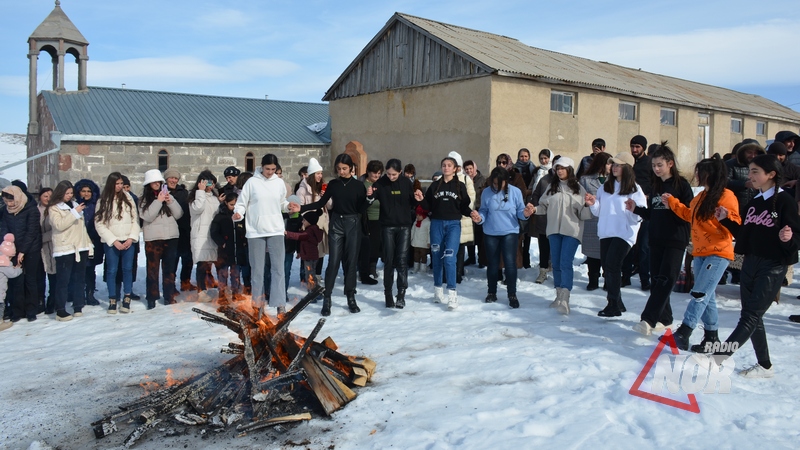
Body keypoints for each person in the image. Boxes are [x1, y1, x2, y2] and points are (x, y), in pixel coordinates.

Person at [712, 154, 800, 377]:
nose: (750, 175)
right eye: (750, 171)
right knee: (752, 315)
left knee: (750, 316)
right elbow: (745, 235)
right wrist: (726, 220)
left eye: (755, 172)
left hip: (772, 266)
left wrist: (788, 237)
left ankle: (718, 358)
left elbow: (795, 237)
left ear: (771, 175)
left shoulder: (784, 200)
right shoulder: (754, 201)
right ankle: (765, 366)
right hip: (750, 263)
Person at [661, 154, 740, 350]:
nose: (697, 175)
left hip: (718, 252)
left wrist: (726, 216)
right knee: (707, 295)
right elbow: (690, 215)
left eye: (701, 172)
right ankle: (711, 338)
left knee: (699, 293)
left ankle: (685, 331)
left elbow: (737, 222)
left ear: (711, 174)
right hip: (700, 252)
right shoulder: (701, 196)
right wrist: (672, 203)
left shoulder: (726, 196)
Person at [290, 153, 368, 316]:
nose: (341, 171)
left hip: (353, 223)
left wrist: (369, 199)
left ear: (351, 168)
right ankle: (327, 298)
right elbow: (320, 203)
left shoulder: (358, 186)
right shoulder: (333, 184)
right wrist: (301, 208)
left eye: (344, 169)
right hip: (337, 224)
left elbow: (362, 209)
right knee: (333, 262)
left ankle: (351, 297)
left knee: (351, 262)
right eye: (339, 169)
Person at [628, 143, 693, 335]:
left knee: (666, 279)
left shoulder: (681, 184)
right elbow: (654, 213)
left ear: (670, 164)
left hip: (675, 239)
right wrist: (636, 209)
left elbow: (689, 213)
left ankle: (648, 319)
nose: (656, 169)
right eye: (654, 165)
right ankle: (665, 319)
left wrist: (673, 204)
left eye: (660, 165)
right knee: (657, 280)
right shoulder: (656, 185)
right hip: (656, 238)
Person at [585, 153, 646, 317]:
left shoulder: (634, 189)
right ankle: (618, 303)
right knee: (607, 266)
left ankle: (612, 304)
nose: (614, 167)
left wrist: (633, 208)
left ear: (627, 168)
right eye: (612, 164)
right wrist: (593, 203)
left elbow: (640, 215)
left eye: (618, 165)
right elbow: (599, 211)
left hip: (624, 233)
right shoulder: (604, 188)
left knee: (612, 265)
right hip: (606, 232)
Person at [533, 157, 593, 314]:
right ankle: (558, 296)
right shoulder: (552, 187)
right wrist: (533, 210)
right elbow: (543, 207)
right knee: (557, 263)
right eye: (557, 168)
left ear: (570, 170)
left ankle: (565, 297)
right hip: (553, 230)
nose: (559, 171)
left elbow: (585, 215)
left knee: (565, 262)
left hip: (572, 231)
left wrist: (587, 205)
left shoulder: (579, 189)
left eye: (563, 168)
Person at [234, 154, 289, 315]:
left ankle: (280, 304)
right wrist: (238, 214)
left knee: (278, 268)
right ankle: (258, 304)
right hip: (255, 231)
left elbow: (281, 203)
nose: (270, 172)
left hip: (276, 230)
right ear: (261, 167)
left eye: (273, 169)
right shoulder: (252, 182)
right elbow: (241, 203)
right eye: (267, 169)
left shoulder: (279, 183)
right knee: (257, 270)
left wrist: (289, 207)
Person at [415, 156, 473, 309]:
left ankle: (452, 294)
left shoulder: (460, 186)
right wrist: (421, 199)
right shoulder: (435, 186)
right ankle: (437, 290)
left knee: (449, 257)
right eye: (444, 165)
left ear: (455, 169)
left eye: (449, 165)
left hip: (453, 224)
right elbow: (427, 205)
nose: (446, 168)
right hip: (437, 224)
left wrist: (472, 213)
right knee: (436, 256)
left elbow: (464, 206)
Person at [472, 167, 535, 308]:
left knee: (510, 263)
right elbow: (483, 211)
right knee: (493, 264)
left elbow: (520, 211)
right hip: (491, 233)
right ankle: (491, 292)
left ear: (506, 181)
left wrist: (525, 213)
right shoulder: (486, 192)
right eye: (494, 183)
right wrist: (479, 219)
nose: (496, 186)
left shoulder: (515, 192)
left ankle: (512, 294)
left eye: (499, 183)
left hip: (509, 232)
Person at [367, 158, 418, 308]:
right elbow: (369, 200)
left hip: (404, 226)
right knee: (388, 261)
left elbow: (413, 203)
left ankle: (401, 294)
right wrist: (370, 195)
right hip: (387, 226)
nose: (391, 177)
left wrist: (418, 199)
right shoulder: (380, 183)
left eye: (394, 174)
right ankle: (388, 294)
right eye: (388, 174)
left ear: (400, 172)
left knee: (401, 261)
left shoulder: (406, 183)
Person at [46, 180, 93, 321]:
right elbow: (59, 225)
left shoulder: (74, 205)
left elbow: (81, 228)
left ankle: (78, 305)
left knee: (79, 278)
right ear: (60, 193)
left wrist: (88, 245)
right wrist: (74, 213)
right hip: (65, 247)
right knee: (63, 280)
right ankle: (60, 309)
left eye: (71, 193)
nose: (69, 195)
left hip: (80, 246)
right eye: (67, 193)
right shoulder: (54, 208)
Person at [94, 172, 140, 314]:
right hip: (112, 242)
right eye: (117, 183)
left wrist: (131, 238)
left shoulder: (128, 198)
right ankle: (112, 298)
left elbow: (135, 220)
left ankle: (127, 297)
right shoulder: (103, 200)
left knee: (127, 269)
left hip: (127, 240)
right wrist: (113, 241)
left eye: (121, 183)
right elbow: (99, 223)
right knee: (112, 270)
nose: (119, 186)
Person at [139, 169, 182, 308]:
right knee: (153, 270)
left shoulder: (167, 195)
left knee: (169, 269)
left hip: (171, 237)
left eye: (159, 182)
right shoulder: (143, 199)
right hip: (153, 238)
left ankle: (169, 295)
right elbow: (147, 216)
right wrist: (158, 201)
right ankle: (152, 296)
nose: (157, 184)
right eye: (154, 182)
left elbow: (179, 214)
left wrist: (170, 201)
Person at [0, 185, 42, 322]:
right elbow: (4, 229)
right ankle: (17, 311)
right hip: (13, 250)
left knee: (30, 279)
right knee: (16, 280)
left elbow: (32, 231)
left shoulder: (31, 209)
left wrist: (23, 251)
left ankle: (31, 310)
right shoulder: (6, 211)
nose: (9, 204)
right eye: (6, 202)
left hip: (31, 249)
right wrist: (8, 245)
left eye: (11, 201)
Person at [578, 152, 612, 291]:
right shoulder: (585, 180)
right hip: (592, 221)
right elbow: (580, 198)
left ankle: (607, 280)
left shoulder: (615, 181)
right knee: (592, 253)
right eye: (609, 163)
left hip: (608, 221)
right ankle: (593, 279)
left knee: (607, 253)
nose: (611, 166)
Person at [624, 135, 653, 290]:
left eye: (638, 147)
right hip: (628, 209)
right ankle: (626, 276)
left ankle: (644, 279)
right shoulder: (628, 163)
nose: (634, 150)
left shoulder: (649, 164)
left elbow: (655, 185)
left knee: (643, 246)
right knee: (628, 242)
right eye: (632, 146)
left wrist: (648, 196)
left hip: (644, 209)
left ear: (644, 148)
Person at [296, 158, 330, 281]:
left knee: (320, 252)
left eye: (321, 173)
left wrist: (325, 197)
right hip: (309, 226)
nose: (320, 176)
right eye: (317, 173)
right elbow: (301, 209)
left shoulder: (323, 187)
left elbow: (330, 206)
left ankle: (317, 274)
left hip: (322, 225)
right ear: (311, 175)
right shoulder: (302, 190)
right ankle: (305, 277)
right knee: (308, 252)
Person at [164, 168, 195, 293]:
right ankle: (171, 286)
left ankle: (185, 283)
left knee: (188, 259)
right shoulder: (162, 192)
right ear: (166, 179)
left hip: (185, 230)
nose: (173, 180)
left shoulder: (184, 193)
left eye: (175, 178)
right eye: (171, 178)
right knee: (173, 261)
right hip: (171, 231)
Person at [210, 192, 244, 303]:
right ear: (226, 203)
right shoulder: (220, 217)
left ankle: (236, 293)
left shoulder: (241, 216)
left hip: (237, 250)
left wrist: (243, 241)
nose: (233, 207)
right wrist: (221, 243)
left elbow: (244, 230)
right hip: (224, 250)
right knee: (222, 273)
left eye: (235, 204)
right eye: (231, 204)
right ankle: (222, 294)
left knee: (236, 274)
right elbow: (214, 232)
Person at [448, 151, 476, 284]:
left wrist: (459, 206)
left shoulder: (466, 179)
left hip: (462, 218)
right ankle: (449, 271)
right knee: (449, 246)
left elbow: (471, 198)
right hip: (448, 217)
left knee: (459, 247)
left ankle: (458, 272)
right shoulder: (445, 178)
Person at [74, 179, 102, 306]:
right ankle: (76, 295)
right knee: (78, 270)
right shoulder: (74, 205)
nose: (86, 194)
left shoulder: (97, 204)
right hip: (77, 241)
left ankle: (90, 293)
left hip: (93, 240)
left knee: (90, 269)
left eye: (88, 191)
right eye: (83, 191)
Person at [284, 210, 324, 302]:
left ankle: (313, 294)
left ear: (309, 222)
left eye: (304, 221)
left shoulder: (309, 232)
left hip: (309, 257)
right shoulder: (313, 230)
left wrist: (287, 233)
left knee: (309, 276)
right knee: (311, 275)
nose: (302, 222)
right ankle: (316, 292)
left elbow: (299, 236)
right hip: (311, 256)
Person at [529, 149, 554, 280]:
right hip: (543, 217)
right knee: (543, 245)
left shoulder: (568, 182)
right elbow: (535, 194)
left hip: (559, 220)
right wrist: (534, 205)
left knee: (556, 246)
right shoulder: (544, 179)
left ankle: (556, 268)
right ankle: (543, 270)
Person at [359, 160, 384, 285]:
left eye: (379, 173)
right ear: (368, 172)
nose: (377, 176)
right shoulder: (363, 185)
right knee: (366, 246)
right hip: (367, 219)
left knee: (376, 246)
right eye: (374, 173)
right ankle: (363, 269)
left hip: (380, 219)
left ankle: (372, 268)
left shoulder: (380, 185)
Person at [463, 160, 486, 267]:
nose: (469, 171)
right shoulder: (464, 180)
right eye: (466, 169)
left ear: (474, 168)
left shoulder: (482, 180)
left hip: (480, 209)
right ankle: (471, 257)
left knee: (480, 236)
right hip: (468, 210)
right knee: (470, 235)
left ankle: (481, 259)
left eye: (470, 168)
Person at [37, 188, 56, 314]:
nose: (48, 198)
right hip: (37, 249)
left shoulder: (55, 210)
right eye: (45, 196)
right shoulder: (35, 211)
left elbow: (56, 229)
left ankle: (52, 300)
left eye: (50, 196)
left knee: (53, 276)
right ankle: (40, 301)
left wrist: (40, 238)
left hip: (52, 247)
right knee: (39, 277)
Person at [0, 233, 22, 331]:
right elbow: (12, 273)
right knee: (1, 306)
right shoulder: (4, 263)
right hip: (0, 292)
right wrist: (19, 269)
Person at [410, 205, 430, 274]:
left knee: (423, 256)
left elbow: (429, 233)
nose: (417, 217)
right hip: (416, 242)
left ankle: (423, 268)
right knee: (416, 255)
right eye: (417, 215)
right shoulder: (415, 222)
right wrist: (411, 238)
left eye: (419, 215)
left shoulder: (427, 223)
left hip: (423, 243)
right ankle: (416, 267)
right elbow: (413, 230)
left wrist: (429, 241)